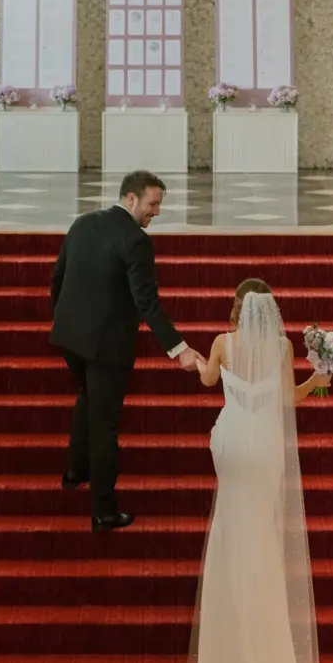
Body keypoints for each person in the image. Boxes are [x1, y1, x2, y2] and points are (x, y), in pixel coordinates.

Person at [184, 277, 331, 663]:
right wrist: (320, 379)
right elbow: (287, 403)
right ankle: (258, 585)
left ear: (235, 312)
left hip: (233, 447)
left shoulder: (221, 342)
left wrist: (194, 357)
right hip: (265, 449)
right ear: (273, 315)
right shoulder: (280, 350)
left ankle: (233, 598)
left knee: (233, 519)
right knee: (261, 530)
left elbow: (209, 384)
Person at [48, 169, 203, 533]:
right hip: (107, 347)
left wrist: (65, 319)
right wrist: (178, 349)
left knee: (87, 397)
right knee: (105, 425)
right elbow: (147, 302)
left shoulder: (82, 223)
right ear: (131, 198)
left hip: (70, 338)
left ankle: (75, 471)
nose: (157, 212)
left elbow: (57, 277)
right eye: (153, 204)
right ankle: (103, 510)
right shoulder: (136, 241)